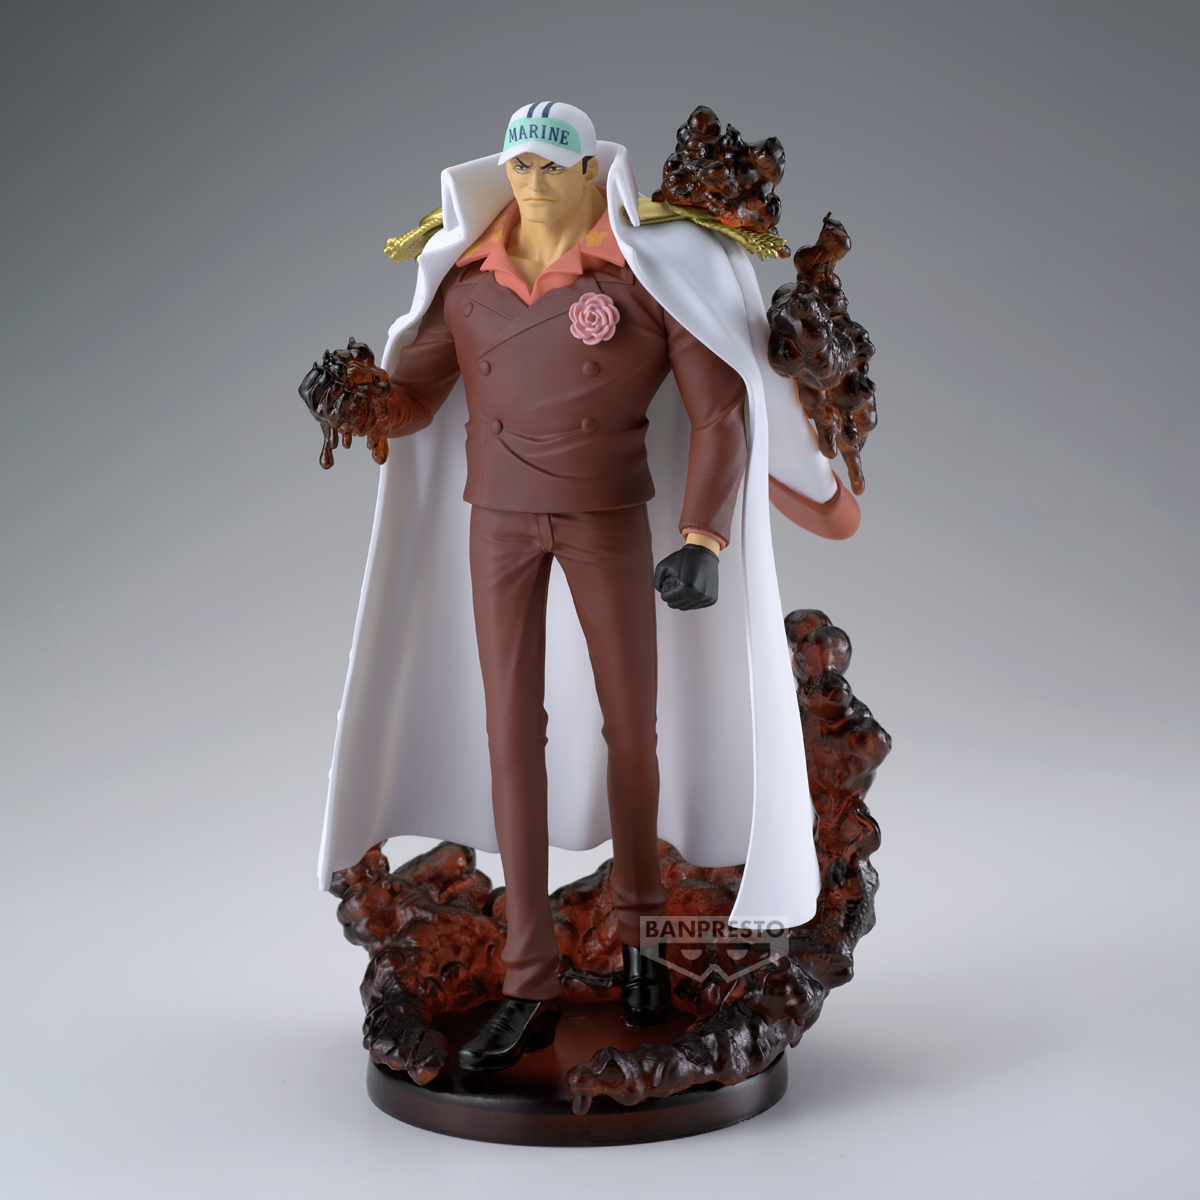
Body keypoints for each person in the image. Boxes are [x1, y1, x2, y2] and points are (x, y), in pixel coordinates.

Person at [315, 103, 860, 1071]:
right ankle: (527, 978)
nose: (529, 182)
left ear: (586, 174)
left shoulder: (642, 277)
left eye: (548, 166)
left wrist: (703, 537)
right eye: (518, 165)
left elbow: (721, 412)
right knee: (508, 736)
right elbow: (417, 397)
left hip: (606, 515)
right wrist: (365, 400)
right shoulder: (470, 280)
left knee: (632, 734)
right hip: (497, 522)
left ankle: (645, 938)